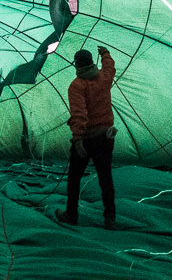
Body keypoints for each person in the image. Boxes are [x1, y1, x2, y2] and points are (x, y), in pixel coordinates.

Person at [58, 45, 117, 229]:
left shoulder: (77, 86)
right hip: (106, 137)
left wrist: (77, 140)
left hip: (88, 138)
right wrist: (105, 53)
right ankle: (110, 218)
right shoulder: (104, 77)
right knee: (105, 177)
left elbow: (80, 115)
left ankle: (71, 215)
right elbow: (110, 67)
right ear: (92, 62)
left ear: (76, 65)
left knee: (74, 178)